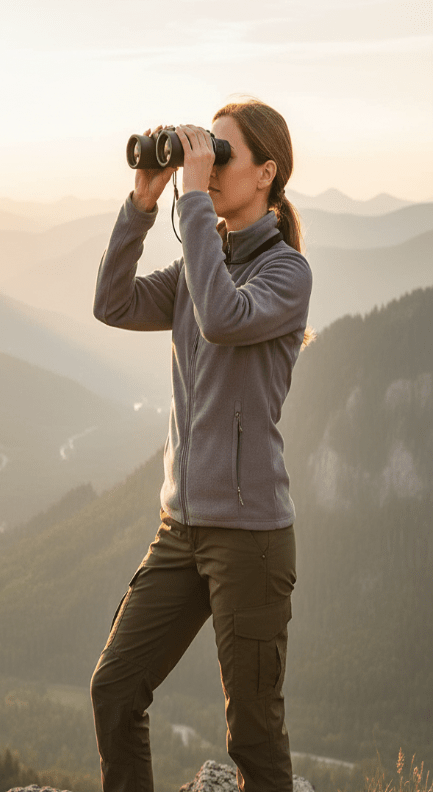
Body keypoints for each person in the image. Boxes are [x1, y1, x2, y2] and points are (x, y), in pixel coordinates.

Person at [90, 98, 313, 792]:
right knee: (115, 689)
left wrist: (190, 203)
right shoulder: (199, 266)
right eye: (203, 151)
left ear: (266, 173)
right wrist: (142, 203)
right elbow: (113, 303)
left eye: (223, 155)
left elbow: (221, 317)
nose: (208, 168)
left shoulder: (285, 275)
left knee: (254, 735)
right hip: (180, 529)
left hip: (249, 537)